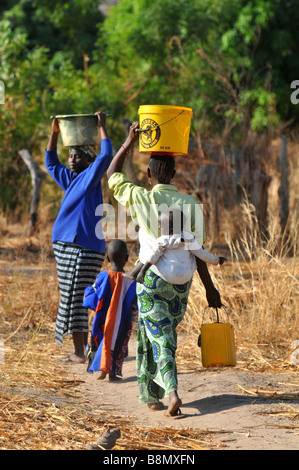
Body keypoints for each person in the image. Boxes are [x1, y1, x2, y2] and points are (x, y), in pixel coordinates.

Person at [107, 122, 222, 417]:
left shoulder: (142, 197)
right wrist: (210, 288)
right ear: (173, 174)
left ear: (149, 175)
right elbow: (198, 253)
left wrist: (128, 142)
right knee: (153, 334)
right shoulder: (191, 204)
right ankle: (150, 395)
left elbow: (112, 175)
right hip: (181, 283)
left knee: (160, 339)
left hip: (151, 280)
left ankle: (171, 392)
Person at [45, 111, 113, 363]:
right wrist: (54, 133)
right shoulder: (71, 180)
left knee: (77, 298)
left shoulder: (90, 178)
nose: (72, 160)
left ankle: (79, 352)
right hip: (65, 245)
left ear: (88, 161)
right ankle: (83, 350)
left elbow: (106, 155)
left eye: (78, 156)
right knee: (72, 297)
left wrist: (102, 127)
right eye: (71, 155)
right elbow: (51, 163)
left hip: (84, 247)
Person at [124, 207, 226, 284]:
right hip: (186, 276)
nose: (159, 228)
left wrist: (142, 271)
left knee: (152, 251)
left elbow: (152, 256)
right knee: (195, 252)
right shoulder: (188, 236)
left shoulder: (162, 240)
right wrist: (216, 260)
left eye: (161, 225)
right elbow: (201, 253)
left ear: (171, 229)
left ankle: (134, 272)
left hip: (168, 275)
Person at [83, 239, 137, 381]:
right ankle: (113, 373)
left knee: (103, 342)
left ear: (107, 258)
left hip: (102, 320)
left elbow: (91, 297)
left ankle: (102, 368)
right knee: (118, 346)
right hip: (123, 322)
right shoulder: (131, 279)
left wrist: (87, 293)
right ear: (126, 258)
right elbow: (134, 303)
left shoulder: (103, 276)